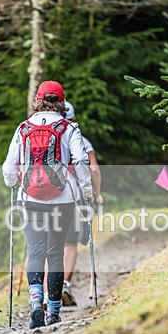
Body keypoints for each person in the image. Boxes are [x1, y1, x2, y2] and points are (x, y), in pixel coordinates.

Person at [3, 81, 93, 328]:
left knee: (35, 251)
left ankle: (36, 303)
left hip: (30, 198)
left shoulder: (23, 128)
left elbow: (9, 167)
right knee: (55, 253)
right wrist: (87, 191)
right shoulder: (69, 128)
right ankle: (53, 311)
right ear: (61, 102)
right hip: (63, 199)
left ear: (38, 100)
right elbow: (81, 161)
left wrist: (12, 182)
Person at [61, 101, 102, 306]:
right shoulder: (82, 140)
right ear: (74, 119)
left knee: (50, 243)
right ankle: (64, 284)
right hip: (75, 197)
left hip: (45, 196)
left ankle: (44, 290)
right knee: (70, 244)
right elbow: (93, 169)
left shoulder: (49, 139)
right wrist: (97, 194)